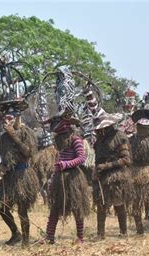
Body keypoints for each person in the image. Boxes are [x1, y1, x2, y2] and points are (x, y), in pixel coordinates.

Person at [0, 55, 38, 246]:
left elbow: (28, 153)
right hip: (9, 178)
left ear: (17, 117)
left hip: (23, 175)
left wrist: (15, 136)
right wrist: (1, 168)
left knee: (23, 209)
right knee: (2, 207)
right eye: (4, 118)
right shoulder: (2, 138)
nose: (6, 121)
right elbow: (6, 158)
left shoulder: (26, 132)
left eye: (10, 118)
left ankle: (25, 240)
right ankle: (15, 233)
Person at [38, 68, 91, 244]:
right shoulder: (59, 142)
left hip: (74, 178)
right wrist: (55, 172)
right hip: (60, 178)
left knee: (77, 206)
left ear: (67, 126)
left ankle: (80, 237)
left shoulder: (76, 139)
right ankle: (50, 237)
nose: (56, 131)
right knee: (55, 208)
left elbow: (81, 158)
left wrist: (66, 165)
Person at [93, 112, 133, 239]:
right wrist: (96, 170)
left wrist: (107, 166)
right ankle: (100, 234)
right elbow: (98, 158)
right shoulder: (99, 140)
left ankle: (123, 231)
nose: (99, 131)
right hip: (102, 177)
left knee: (119, 203)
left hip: (117, 176)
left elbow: (126, 160)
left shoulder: (119, 137)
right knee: (101, 205)